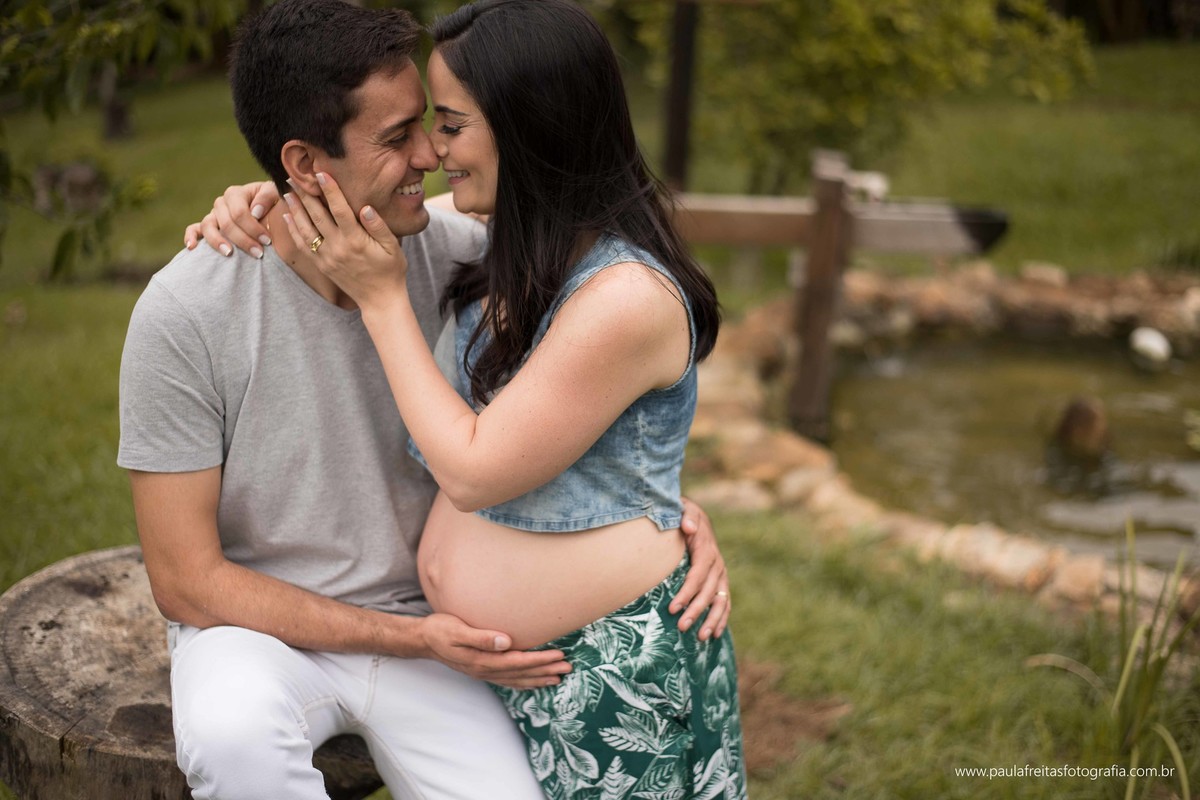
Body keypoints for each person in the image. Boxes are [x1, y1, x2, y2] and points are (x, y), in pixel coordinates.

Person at [118, 1, 729, 798]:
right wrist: (264, 197)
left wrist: (666, 511)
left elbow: (600, 396)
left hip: (437, 636)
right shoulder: (188, 310)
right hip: (260, 632)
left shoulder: (467, 258)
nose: (431, 157)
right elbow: (184, 581)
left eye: (439, 126)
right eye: (400, 135)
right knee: (234, 742)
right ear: (303, 164)